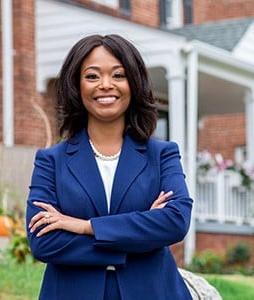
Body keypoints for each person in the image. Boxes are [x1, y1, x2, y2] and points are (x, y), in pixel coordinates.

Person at [26, 34, 193, 300]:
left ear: (134, 83)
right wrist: (140, 238)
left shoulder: (162, 154)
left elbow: (175, 222)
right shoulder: (51, 161)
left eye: (118, 75)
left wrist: (84, 226)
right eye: (92, 76)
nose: (105, 85)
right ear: (77, 86)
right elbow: (43, 242)